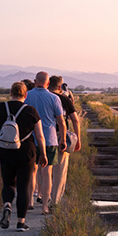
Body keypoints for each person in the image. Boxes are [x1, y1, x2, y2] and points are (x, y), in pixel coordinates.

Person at [0, 81, 47, 231]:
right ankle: (21, 222)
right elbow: (40, 136)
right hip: (26, 152)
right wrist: (43, 154)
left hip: (6, 151)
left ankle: (7, 205)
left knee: (8, 183)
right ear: (25, 95)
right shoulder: (31, 111)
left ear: (10, 93)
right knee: (24, 186)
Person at [24, 71, 66, 214]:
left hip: (30, 139)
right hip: (49, 139)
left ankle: (29, 201)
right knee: (47, 172)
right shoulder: (54, 98)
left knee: (31, 171)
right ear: (48, 83)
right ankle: (44, 207)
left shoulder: (26, 96)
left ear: (35, 81)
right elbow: (61, 122)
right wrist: (64, 139)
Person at [47, 75, 81, 205]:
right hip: (61, 137)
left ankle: (43, 197)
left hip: (44, 136)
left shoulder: (43, 98)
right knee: (60, 170)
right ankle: (55, 201)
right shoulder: (63, 99)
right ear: (60, 87)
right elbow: (75, 120)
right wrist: (78, 139)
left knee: (44, 169)